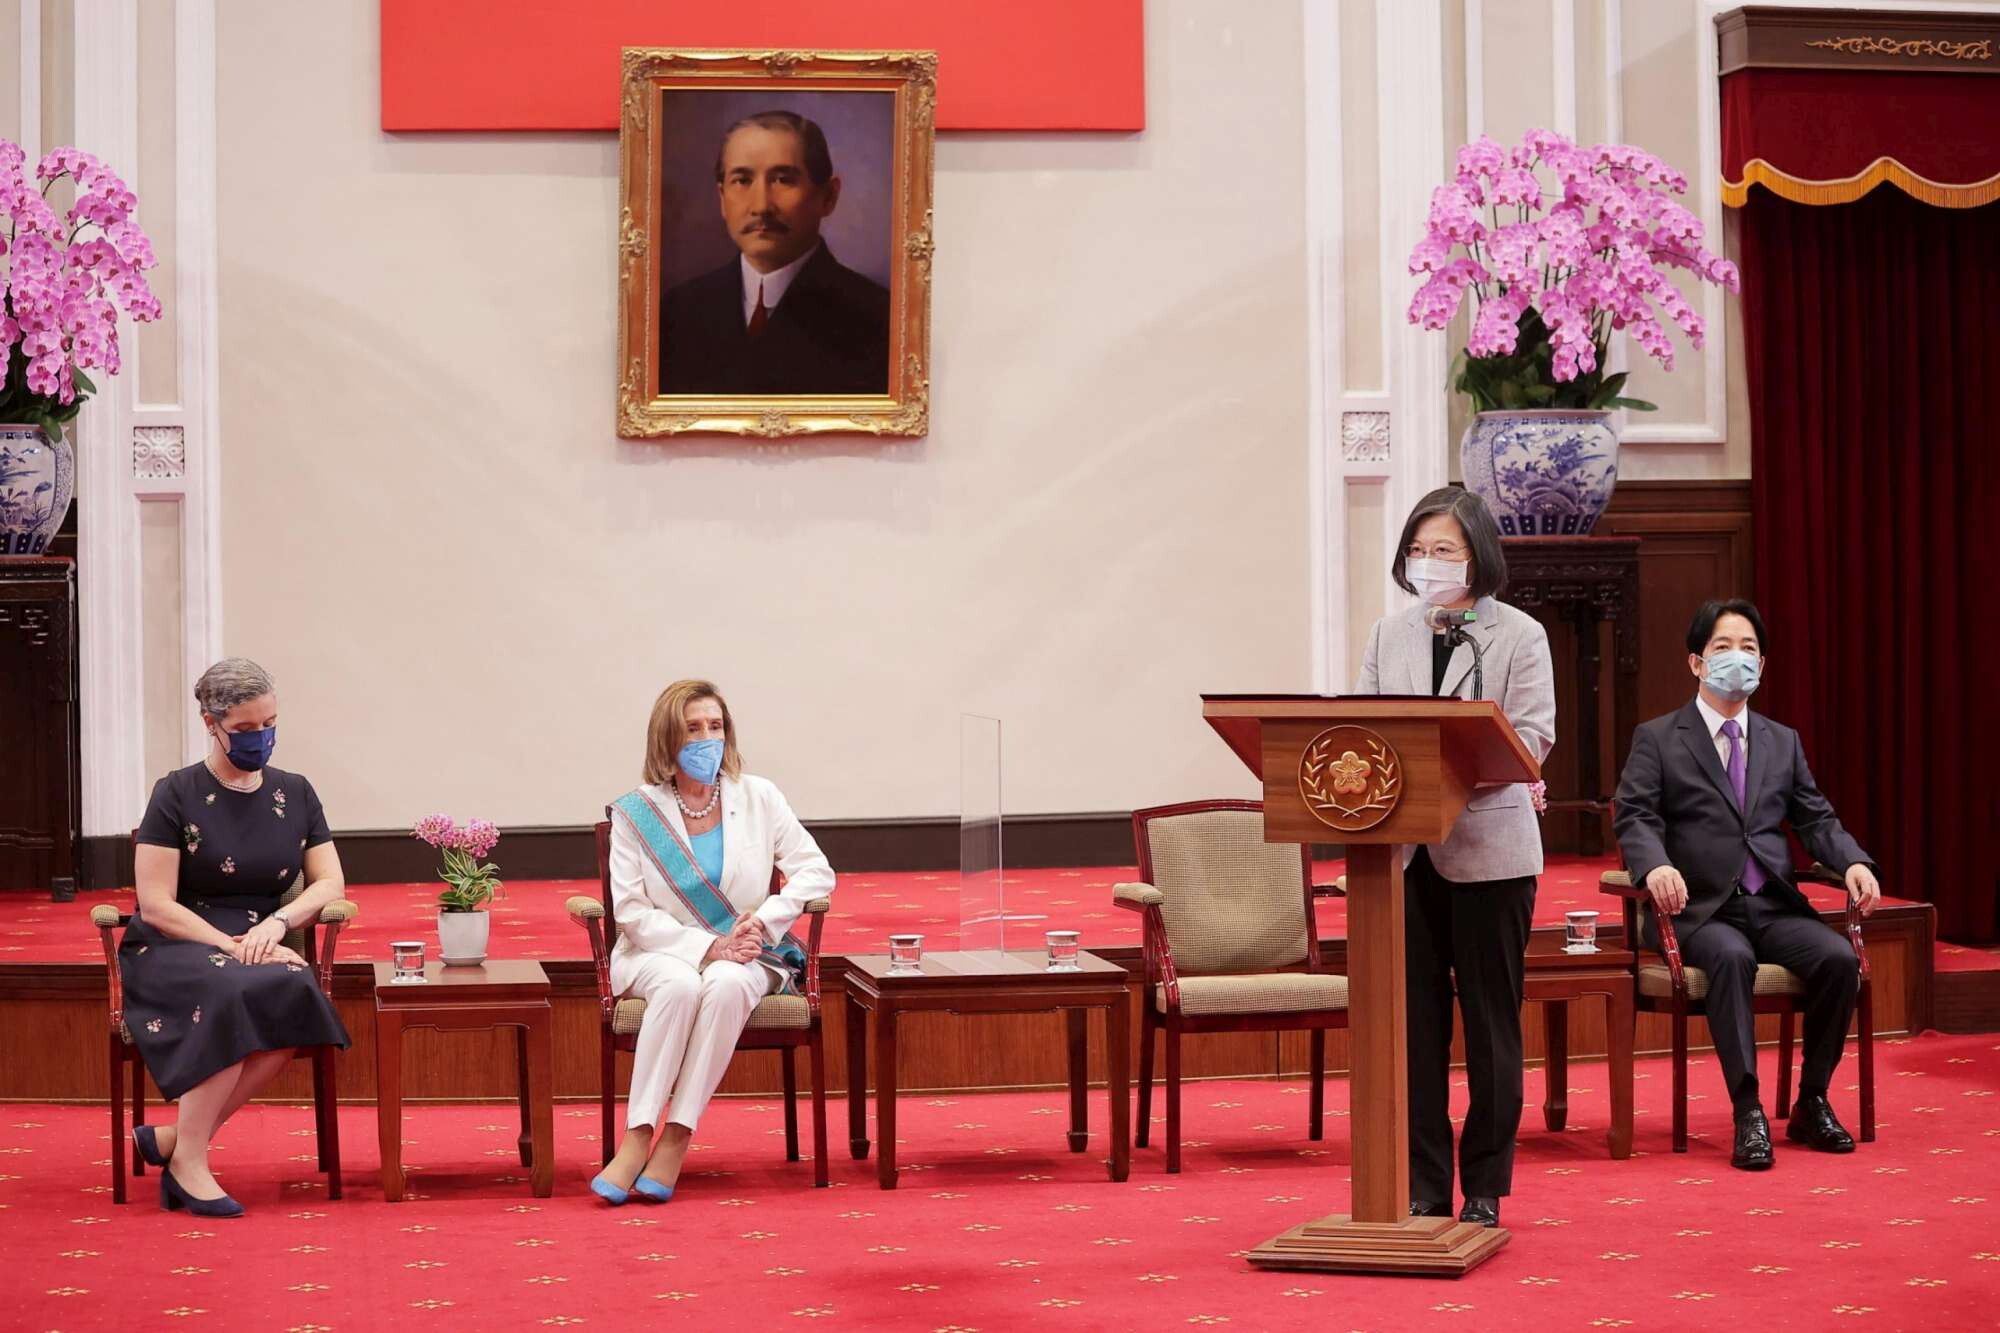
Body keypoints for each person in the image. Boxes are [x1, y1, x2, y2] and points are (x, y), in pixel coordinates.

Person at [1613, 599, 1878, 1170]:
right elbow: (1635, 816)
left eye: (1749, 648)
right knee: (1732, 959)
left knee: (1838, 961)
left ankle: (1812, 1100)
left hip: (1771, 904)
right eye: (1723, 647)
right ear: (1696, 662)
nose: (1738, 658)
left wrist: (1854, 862)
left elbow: (1816, 820)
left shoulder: (1781, 740)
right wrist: (1654, 866)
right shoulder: (1659, 737)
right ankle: (1747, 1110)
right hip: (1700, 909)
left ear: (1762, 664)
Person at [1355, 485, 1555, 1229]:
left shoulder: (1518, 635)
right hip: (1405, 858)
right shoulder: (1390, 634)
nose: (1428, 562)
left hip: (1491, 854)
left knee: (1491, 1026)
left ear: (1478, 557)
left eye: (1443, 549)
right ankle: (1425, 1184)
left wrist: (1450, 766)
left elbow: (1531, 739)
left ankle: (1485, 1185)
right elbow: (1364, 731)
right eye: (1418, 549)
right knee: (1417, 1031)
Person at [120, 658, 350, 1218]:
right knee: (230, 991)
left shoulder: (296, 792)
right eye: (245, 729)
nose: (261, 737)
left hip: (259, 937)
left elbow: (330, 882)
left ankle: (180, 1142)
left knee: (295, 994)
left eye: (269, 724)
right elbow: (156, 903)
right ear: (211, 723)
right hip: (176, 941)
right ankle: (190, 1163)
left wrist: (277, 924)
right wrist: (227, 945)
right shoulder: (175, 792)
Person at [591, 679, 835, 1204]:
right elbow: (631, 912)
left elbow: (816, 871)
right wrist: (707, 947)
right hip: (656, 952)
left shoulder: (760, 797)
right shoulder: (637, 813)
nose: (707, 739)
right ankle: (638, 1135)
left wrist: (764, 922)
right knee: (680, 985)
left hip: (748, 949)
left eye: (715, 726)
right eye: (693, 728)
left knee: (725, 985)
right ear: (667, 738)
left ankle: (676, 1136)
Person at [659, 109, 891, 395]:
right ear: (722, 198)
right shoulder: (676, 313)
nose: (761, 206)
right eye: (742, 181)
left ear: (828, 197)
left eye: (783, 179)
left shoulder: (879, 318)